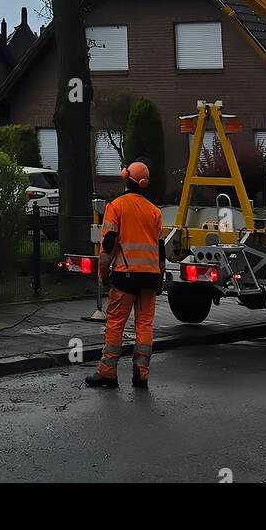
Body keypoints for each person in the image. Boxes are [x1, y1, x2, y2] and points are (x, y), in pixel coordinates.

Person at [85, 161, 165, 392]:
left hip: (125, 277)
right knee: (145, 324)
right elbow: (160, 249)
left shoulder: (116, 206)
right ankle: (141, 375)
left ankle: (107, 373)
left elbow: (108, 244)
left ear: (124, 177)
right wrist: (159, 277)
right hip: (150, 278)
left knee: (116, 324)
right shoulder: (154, 211)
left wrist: (103, 273)